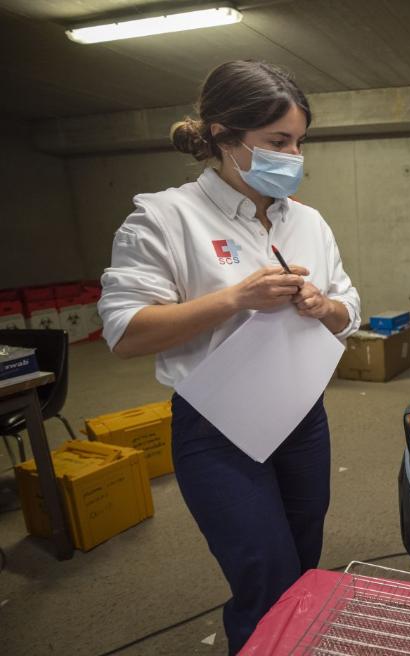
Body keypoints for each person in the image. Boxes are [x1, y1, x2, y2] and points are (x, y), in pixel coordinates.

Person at [97, 60, 360, 654]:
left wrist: (325, 307)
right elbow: (124, 331)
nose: (293, 157)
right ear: (222, 135)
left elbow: (352, 310)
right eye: (276, 142)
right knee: (264, 573)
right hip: (217, 426)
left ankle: (297, 641)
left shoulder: (309, 222)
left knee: (303, 552)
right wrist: (235, 298)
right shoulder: (167, 217)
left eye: (298, 142)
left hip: (300, 416)